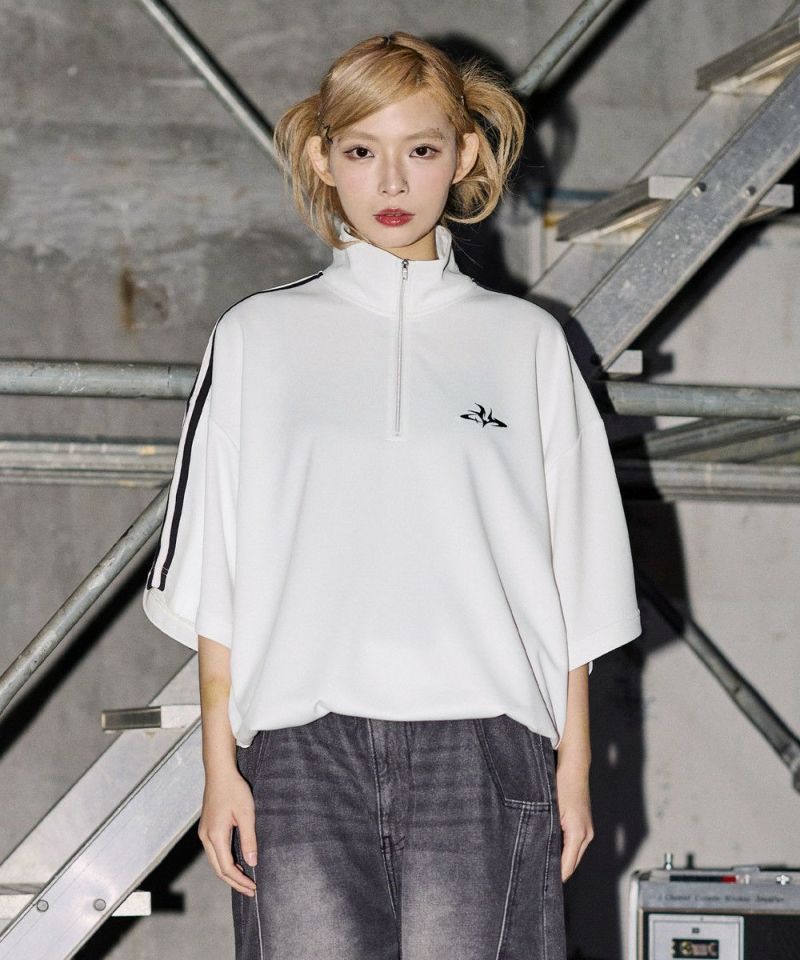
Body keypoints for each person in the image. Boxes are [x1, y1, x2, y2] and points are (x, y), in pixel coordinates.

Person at [142, 30, 641, 960]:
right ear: (322, 159)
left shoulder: (526, 343)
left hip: (484, 747)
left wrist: (574, 771)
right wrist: (220, 769)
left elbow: (576, 577)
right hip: (302, 749)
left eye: (421, 149)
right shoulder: (257, 337)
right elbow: (217, 569)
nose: (393, 181)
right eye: (363, 151)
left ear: (466, 155)